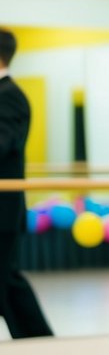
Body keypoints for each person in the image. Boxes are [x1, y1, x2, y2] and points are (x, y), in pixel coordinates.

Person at [0, 28, 54, 339]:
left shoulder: (11, 97)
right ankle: (40, 345)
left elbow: (2, 144)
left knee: (6, 282)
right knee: (6, 283)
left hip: (3, 213)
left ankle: (41, 344)